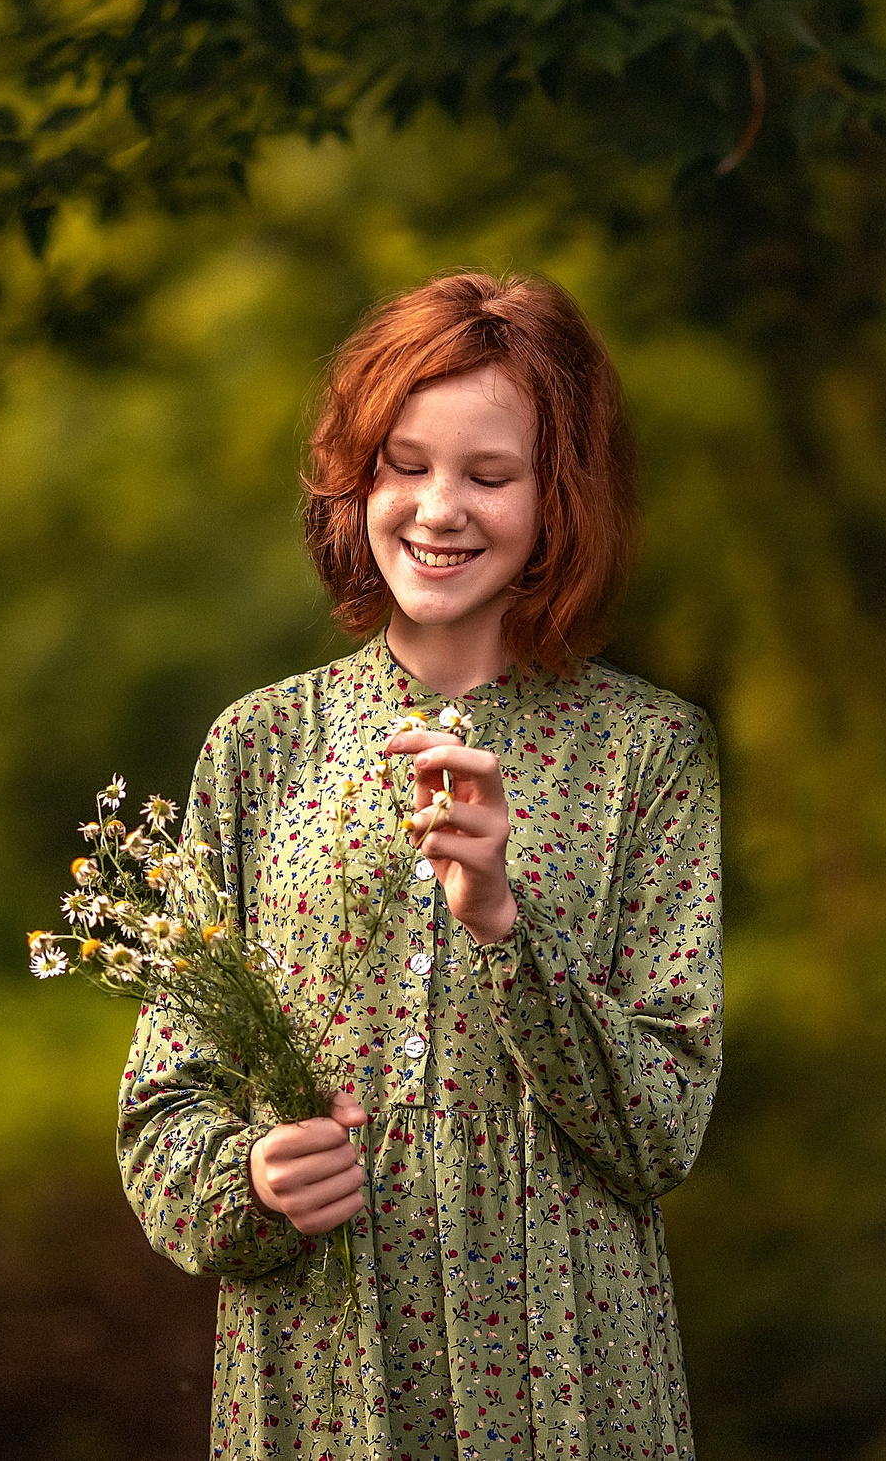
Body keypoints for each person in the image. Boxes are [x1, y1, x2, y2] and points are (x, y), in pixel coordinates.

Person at [119, 270, 724, 1460]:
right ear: (355, 480)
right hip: (317, 1379)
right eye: (404, 463)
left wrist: (503, 921)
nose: (439, 508)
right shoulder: (258, 750)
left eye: (488, 475)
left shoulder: (647, 757)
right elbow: (158, 1116)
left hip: (566, 1382)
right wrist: (250, 1181)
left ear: (561, 502)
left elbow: (662, 1130)